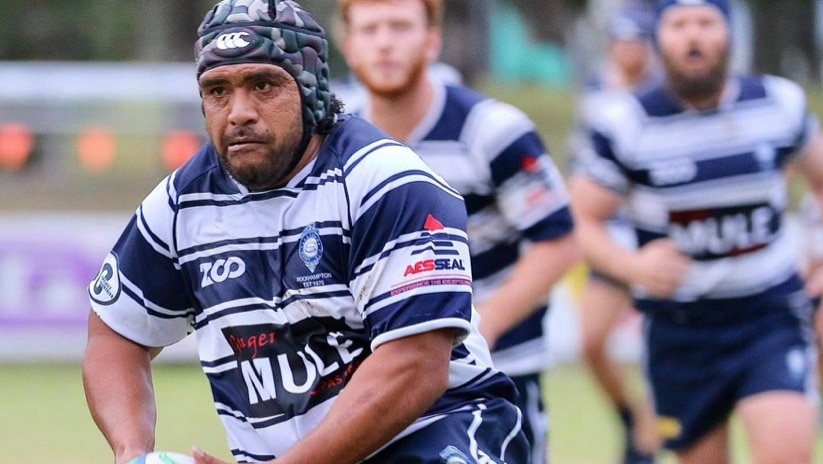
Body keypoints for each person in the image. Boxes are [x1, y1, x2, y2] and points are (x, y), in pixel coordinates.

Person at [81, 1, 532, 463]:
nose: (239, 112)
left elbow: (415, 366)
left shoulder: (385, 182)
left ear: (311, 89)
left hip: (433, 437)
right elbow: (115, 333)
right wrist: (133, 452)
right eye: (218, 91)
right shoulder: (181, 205)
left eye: (262, 85)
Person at [568, 1, 823, 463]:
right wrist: (633, 266)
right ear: (658, 37)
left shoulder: (777, 102)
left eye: (706, 22)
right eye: (678, 24)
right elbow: (578, 219)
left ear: (729, 33)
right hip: (680, 331)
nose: (692, 36)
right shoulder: (626, 123)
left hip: (768, 315)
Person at [335, 1, 580, 462]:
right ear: (348, 47)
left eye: (400, 27)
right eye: (369, 30)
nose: (384, 42)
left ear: (432, 40)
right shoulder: (333, 140)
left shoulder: (491, 131)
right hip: (381, 381)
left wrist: (475, 327)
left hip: (499, 377)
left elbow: (560, 241)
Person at [567, 4, 660, 464]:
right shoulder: (595, 91)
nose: (628, 50)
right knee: (591, 340)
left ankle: (653, 437)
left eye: (637, 41)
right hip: (610, 235)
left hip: (659, 236)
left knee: (664, 347)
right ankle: (632, 416)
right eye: (621, 41)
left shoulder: (668, 92)